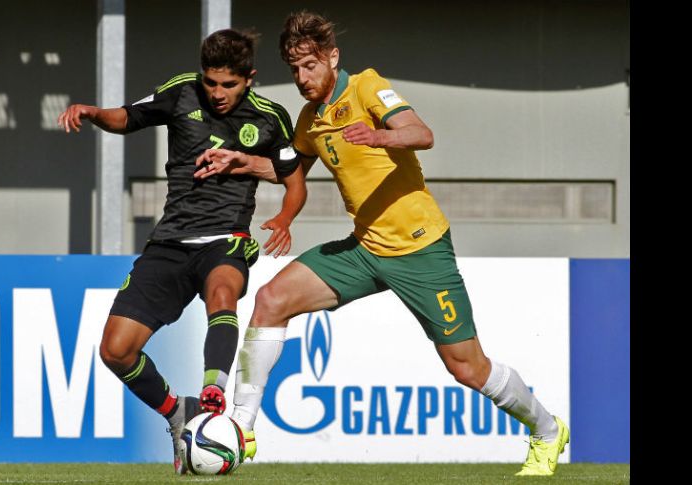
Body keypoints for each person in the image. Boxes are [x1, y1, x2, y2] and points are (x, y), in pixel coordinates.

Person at [215, 11, 569, 477]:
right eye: (295, 69)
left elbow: (422, 134)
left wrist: (379, 135)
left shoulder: (366, 86)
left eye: (310, 66)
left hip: (420, 249)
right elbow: (291, 171)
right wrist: (244, 161)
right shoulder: (310, 118)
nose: (303, 77)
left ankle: (546, 430)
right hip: (363, 250)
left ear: (332, 57)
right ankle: (241, 426)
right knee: (270, 299)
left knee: (467, 368)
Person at [57, 29, 306, 474]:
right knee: (115, 350)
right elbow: (127, 118)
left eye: (228, 84)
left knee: (223, 294)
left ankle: (214, 391)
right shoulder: (180, 92)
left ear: (249, 78)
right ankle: (179, 412)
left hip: (225, 239)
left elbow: (295, 181)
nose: (217, 93)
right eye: (211, 82)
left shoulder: (271, 117)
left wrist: (285, 218)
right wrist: (92, 112)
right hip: (170, 242)